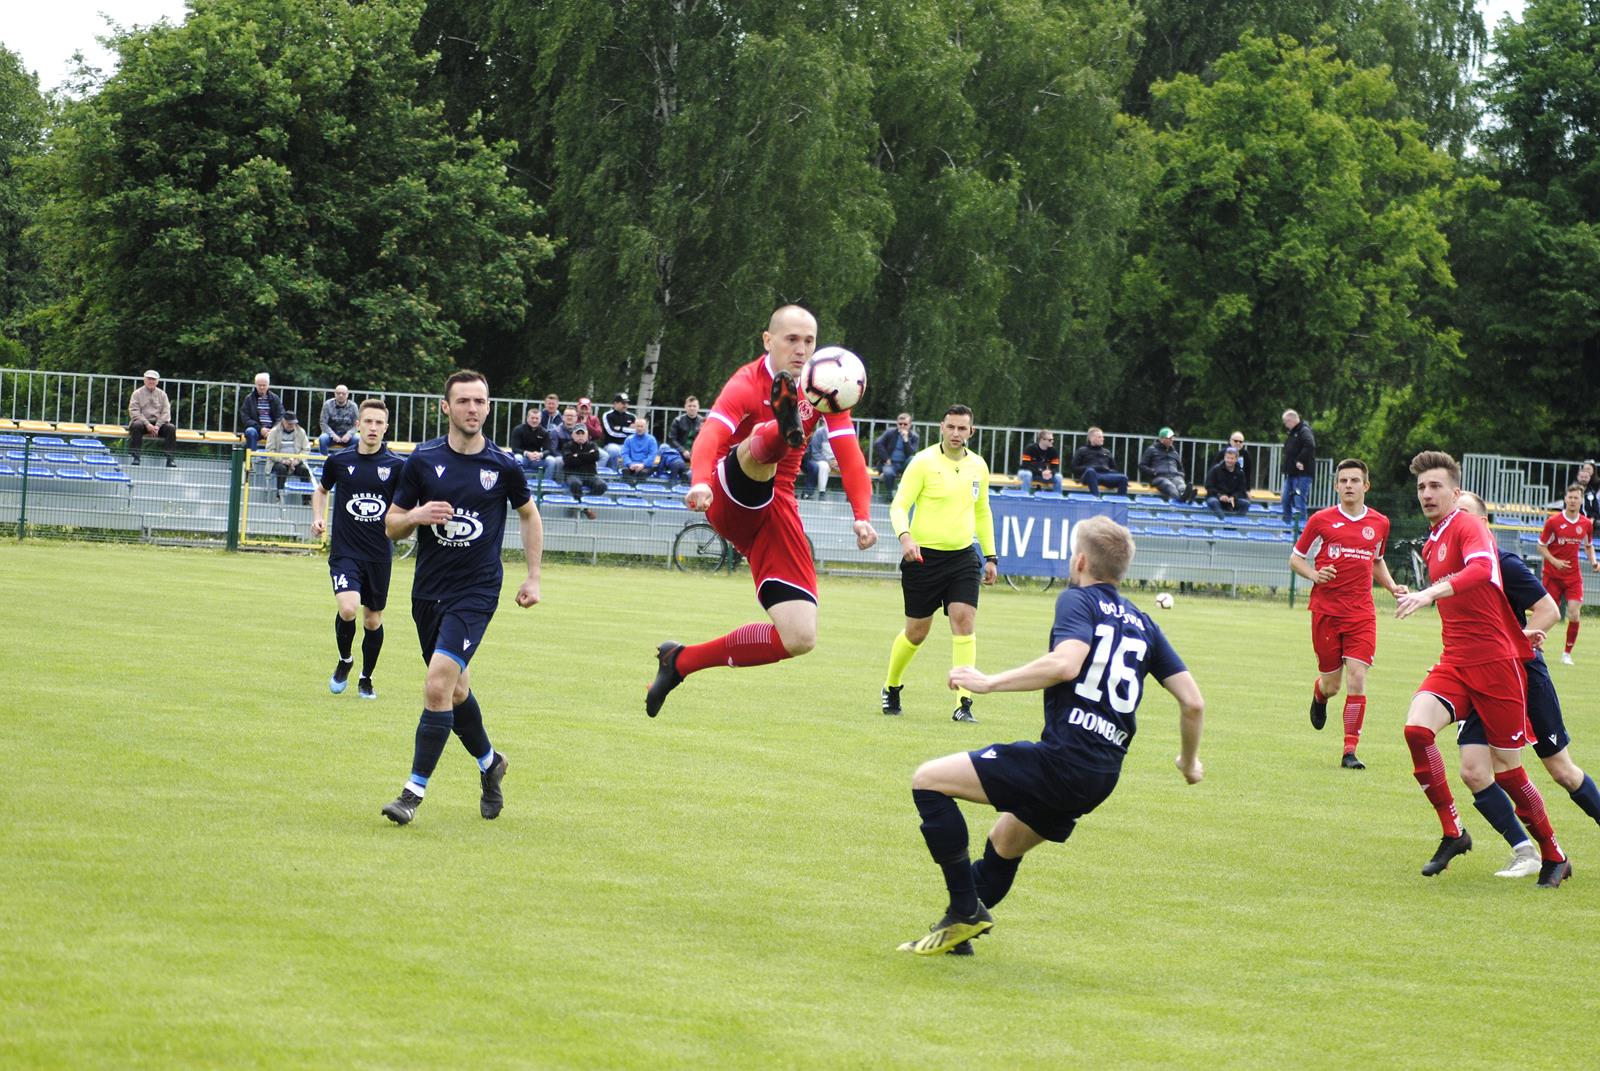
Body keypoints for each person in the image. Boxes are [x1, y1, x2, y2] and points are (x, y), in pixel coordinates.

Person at [898, 515, 1204, 956]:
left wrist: (989, 682)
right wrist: (1189, 762)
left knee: (927, 780)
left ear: (1080, 560)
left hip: (1062, 760)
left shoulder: (1078, 601)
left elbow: (1066, 664)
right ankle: (956, 939)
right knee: (1004, 842)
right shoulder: (1144, 623)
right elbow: (1193, 702)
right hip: (1100, 776)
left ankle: (965, 910)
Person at [645, 304, 877, 717]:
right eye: (792, 339)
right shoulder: (746, 382)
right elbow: (712, 433)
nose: (802, 349)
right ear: (768, 341)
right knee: (758, 446)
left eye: (809, 341)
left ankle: (680, 662)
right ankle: (779, 427)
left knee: (800, 636)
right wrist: (698, 480)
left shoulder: (828, 388)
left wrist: (862, 514)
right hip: (728, 489)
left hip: (776, 509)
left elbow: (850, 455)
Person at [1394, 451, 1570, 886]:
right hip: (1455, 661)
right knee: (1417, 730)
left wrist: (1430, 592)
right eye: (1421, 487)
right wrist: (1418, 592)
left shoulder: (1469, 526)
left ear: (1455, 492)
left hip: (1496, 664)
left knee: (1509, 771)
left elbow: (1481, 569)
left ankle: (1553, 854)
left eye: (1435, 486)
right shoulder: (1433, 539)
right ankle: (1454, 832)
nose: (1426, 494)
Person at [380, 370, 543, 826]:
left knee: (436, 684)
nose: (474, 409)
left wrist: (533, 576)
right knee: (455, 690)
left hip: (476, 591)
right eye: (464, 401)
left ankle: (412, 793)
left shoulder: (503, 466)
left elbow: (530, 516)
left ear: (488, 407)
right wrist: (417, 514)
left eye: (481, 401)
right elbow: (391, 526)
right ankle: (491, 763)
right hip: (428, 591)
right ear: (446, 408)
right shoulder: (422, 461)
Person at [1457, 491, 1600, 878]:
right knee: (1473, 771)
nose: (1458, 523)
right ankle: (1529, 852)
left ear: (1483, 523)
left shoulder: (1504, 563)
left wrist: (1514, 643)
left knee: (1562, 771)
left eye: (1466, 516)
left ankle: (1552, 855)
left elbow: (1549, 610)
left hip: (1524, 677)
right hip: (1481, 679)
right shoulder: (1454, 567)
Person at [881, 404, 998, 724]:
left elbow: (982, 511)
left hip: (962, 557)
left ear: (971, 431)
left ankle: (964, 701)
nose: (956, 433)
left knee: (964, 619)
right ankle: (892, 685)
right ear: (941, 428)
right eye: (951, 427)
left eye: (963, 428)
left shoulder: (978, 466)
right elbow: (899, 505)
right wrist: (905, 537)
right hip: (922, 558)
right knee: (916, 632)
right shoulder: (923, 462)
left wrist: (990, 556)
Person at [1288, 458, 1405, 769]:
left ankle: (1349, 751)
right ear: (1337, 486)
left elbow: (1376, 561)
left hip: (1361, 613)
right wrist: (1314, 575)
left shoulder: (1380, 522)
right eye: (1344, 481)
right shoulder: (1321, 520)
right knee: (1333, 685)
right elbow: (1296, 559)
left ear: (1366, 486)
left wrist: (1393, 588)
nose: (1349, 486)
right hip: (1326, 611)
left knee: (1357, 677)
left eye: (1355, 480)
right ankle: (1319, 694)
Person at [310, 398, 407, 700]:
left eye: (379, 423)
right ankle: (345, 660)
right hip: (345, 551)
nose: (373, 427)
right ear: (358, 424)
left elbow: (406, 506)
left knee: (372, 620)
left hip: (379, 554)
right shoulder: (339, 461)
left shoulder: (397, 466)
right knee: (348, 608)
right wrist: (318, 517)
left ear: (386, 427)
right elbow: (321, 490)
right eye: (368, 421)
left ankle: (366, 678)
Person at [1537, 484, 1598, 664]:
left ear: (1581, 500)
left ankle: (1567, 654)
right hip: (1552, 576)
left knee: (1574, 613)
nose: (1572, 501)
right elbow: (1541, 546)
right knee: (1547, 613)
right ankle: (1532, 643)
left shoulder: (1586, 524)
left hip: (1573, 577)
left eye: (1576, 498)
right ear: (1565, 499)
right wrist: (1555, 561)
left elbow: (1588, 545)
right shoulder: (1554, 522)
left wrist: (1593, 561)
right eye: (1570, 498)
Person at [127, 369, 177, 467]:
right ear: (144, 380)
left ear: (157, 381)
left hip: (158, 424)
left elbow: (166, 412)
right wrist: (147, 424)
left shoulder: (162, 394)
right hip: (142, 422)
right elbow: (134, 411)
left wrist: (157, 426)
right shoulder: (137, 393)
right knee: (136, 425)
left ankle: (170, 458)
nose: (151, 381)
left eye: (153, 379)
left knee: (171, 428)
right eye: (149, 379)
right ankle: (136, 456)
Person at [561, 423, 607, 516]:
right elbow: (569, 460)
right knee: (575, 484)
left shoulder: (592, 445)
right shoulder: (567, 446)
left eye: (583, 434)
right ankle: (585, 508)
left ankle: (582, 504)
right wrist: (587, 456)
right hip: (572, 474)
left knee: (602, 486)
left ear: (587, 435)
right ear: (573, 435)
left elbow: (595, 456)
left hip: (590, 475)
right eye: (578, 434)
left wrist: (577, 456)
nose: (580, 436)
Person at [1069, 427, 1129, 497]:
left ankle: (1119, 503)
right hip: (1090, 476)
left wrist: (1107, 469)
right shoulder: (1082, 450)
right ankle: (1096, 498)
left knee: (1123, 478)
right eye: (1099, 437)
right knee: (1090, 471)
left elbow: (1114, 469)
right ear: (1091, 438)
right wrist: (1093, 467)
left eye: (1102, 437)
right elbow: (1073, 468)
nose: (1102, 439)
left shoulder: (1106, 452)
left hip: (1105, 475)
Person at [1138, 427, 1194, 502]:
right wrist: (1153, 472)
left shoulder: (1174, 453)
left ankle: (1184, 495)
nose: (1172, 440)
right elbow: (1142, 466)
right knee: (1169, 486)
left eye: (1172, 438)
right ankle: (1185, 499)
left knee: (1181, 484)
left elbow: (1181, 469)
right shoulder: (1151, 450)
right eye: (1169, 438)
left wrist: (1180, 475)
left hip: (1174, 476)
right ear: (1162, 439)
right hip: (1159, 477)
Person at [264, 411, 311, 498]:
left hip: (296, 461)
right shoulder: (274, 432)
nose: (292, 425)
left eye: (293, 423)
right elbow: (270, 451)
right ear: (283, 421)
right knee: (281, 469)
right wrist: (283, 460)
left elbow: (306, 449)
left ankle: (306, 499)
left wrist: (297, 460)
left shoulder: (301, 432)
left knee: (305, 470)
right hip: (278, 461)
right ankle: (279, 496)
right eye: (289, 423)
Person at [1281, 409, 1316, 523]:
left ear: (1291, 420)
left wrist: (1300, 460)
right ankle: (1287, 526)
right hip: (1291, 473)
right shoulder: (1292, 433)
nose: (1285, 425)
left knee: (1299, 501)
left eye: (1286, 422)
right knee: (1285, 499)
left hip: (1302, 474)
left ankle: (1301, 530)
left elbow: (1310, 445)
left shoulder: (1304, 430)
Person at [509, 405, 557, 486]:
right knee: (517, 458)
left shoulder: (544, 432)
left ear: (540, 419)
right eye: (532, 418)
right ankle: (519, 484)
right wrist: (527, 453)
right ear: (527, 418)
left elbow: (549, 450)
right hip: (523, 458)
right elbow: (514, 448)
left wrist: (541, 455)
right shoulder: (518, 430)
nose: (534, 420)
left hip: (537, 459)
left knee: (551, 460)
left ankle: (545, 486)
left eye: (537, 418)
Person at [873, 413, 919, 498]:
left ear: (910, 425)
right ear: (897, 424)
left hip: (904, 463)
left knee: (914, 459)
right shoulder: (890, 432)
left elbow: (911, 452)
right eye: (900, 424)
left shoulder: (914, 437)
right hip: (891, 464)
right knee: (888, 472)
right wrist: (886, 458)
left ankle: (907, 495)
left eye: (905, 424)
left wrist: (906, 440)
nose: (902, 426)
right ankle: (889, 495)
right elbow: (878, 443)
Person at [236, 372, 284, 449]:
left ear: (268, 385)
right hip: (256, 430)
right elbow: (245, 418)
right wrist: (260, 428)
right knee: (250, 431)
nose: (262, 387)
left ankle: (276, 460)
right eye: (259, 385)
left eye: (264, 385)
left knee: (282, 434)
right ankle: (252, 458)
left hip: (273, 430)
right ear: (256, 385)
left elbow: (281, 417)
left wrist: (273, 430)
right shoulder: (249, 399)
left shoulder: (275, 399)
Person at [1202, 447, 1251, 519]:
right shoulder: (1215, 469)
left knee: (1245, 504)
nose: (1229, 460)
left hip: (1233, 500)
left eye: (1232, 458)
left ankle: (1234, 524)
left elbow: (1241, 490)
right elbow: (1209, 486)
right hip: (1216, 497)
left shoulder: (1240, 473)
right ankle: (1225, 522)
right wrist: (1220, 496)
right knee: (1213, 501)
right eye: (1227, 458)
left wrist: (1233, 497)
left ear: (1236, 459)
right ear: (1224, 457)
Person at [1017, 430, 1063, 495]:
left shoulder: (1053, 451)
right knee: (1027, 474)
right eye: (1050, 440)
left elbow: (1055, 467)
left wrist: (1050, 472)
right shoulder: (1030, 448)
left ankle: (1058, 499)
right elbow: (1026, 465)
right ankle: (1024, 497)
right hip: (1027, 472)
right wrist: (1041, 472)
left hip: (1044, 475)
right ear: (1042, 440)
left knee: (1059, 477)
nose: (1052, 441)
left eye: (1052, 439)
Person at [799, 422, 838, 499]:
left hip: (836, 461)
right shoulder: (819, 433)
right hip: (806, 459)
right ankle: (817, 493)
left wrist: (839, 460)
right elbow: (815, 452)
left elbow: (845, 451)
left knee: (851, 468)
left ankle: (852, 496)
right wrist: (829, 462)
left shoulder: (841, 433)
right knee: (819, 467)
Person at [618, 417, 660, 486]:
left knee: (643, 473)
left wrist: (643, 464)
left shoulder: (651, 440)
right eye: (638, 426)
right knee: (625, 471)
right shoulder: (629, 439)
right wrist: (630, 464)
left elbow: (652, 455)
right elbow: (625, 454)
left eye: (641, 426)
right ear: (635, 427)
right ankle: (630, 493)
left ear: (645, 427)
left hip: (646, 466)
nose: (639, 428)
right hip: (631, 465)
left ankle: (638, 494)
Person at [600, 392, 636, 470]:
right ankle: (612, 474)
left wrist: (621, 429)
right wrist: (628, 431)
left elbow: (636, 432)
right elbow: (611, 432)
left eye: (627, 403)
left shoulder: (632, 416)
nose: (626, 405)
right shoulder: (607, 415)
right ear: (615, 403)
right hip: (611, 444)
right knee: (614, 450)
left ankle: (630, 475)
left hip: (627, 445)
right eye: (623, 403)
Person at [318, 385, 358, 454]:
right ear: (335, 394)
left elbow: (357, 424)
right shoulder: (327, 404)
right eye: (338, 393)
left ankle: (351, 460)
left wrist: (349, 434)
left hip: (348, 436)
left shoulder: (353, 406)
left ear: (347, 395)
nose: (341, 395)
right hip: (330, 435)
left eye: (343, 393)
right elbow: (323, 423)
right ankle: (324, 461)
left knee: (357, 439)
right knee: (322, 439)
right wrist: (332, 435)